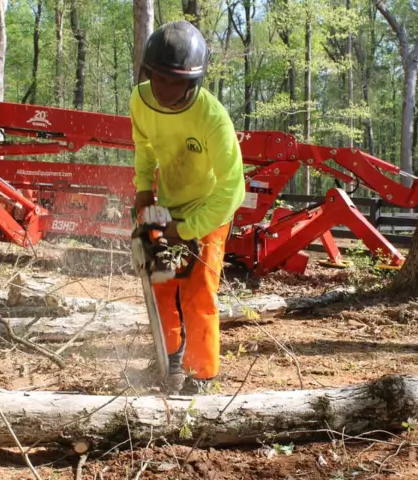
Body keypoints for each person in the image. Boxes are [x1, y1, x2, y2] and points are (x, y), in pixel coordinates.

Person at [129, 20, 246, 394]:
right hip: (166, 207)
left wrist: (190, 227)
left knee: (197, 292)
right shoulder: (140, 99)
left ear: (192, 81)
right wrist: (144, 187)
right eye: (157, 78)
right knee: (161, 285)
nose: (162, 89)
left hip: (208, 209)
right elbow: (144, 145)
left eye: (173, 82)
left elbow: (233, 189)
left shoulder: (212, 118)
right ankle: (170, 356)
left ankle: (203, 373)